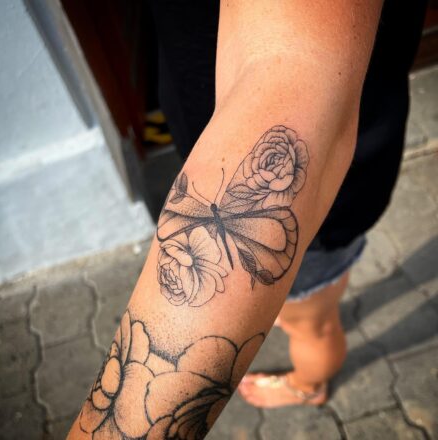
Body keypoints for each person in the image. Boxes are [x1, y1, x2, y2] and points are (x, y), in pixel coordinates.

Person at [68, 1, 427, 438]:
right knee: (295, 306)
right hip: (247, 156)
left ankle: (309, 385)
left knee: (311, 323)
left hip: (318, 209)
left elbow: (292, 85)